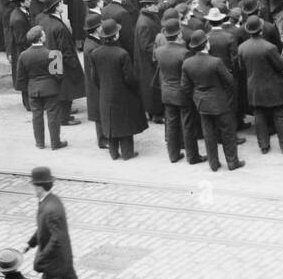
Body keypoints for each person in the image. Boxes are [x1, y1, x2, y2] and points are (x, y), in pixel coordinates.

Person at [23, 166, 105, 279]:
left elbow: (56, 238)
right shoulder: (51, 201)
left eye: (34, 185)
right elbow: (43, 229)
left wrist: (43, 256)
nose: (33, 188)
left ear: (39, 186)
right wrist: (30, 244)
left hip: (55, 262)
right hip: (63, 259)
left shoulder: (50, 208)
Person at [236, 15, 283, 154]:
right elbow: (282, 66)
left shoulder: (242, 48)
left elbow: (241, 67)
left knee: (259, 115)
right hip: (272, 86)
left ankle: (263, 145)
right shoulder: (269, 47)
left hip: (253, 87)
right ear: (261, 30)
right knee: (279, 115)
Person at [84, 18, 148, 160]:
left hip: (105, 93)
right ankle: (127, 153)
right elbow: (129, 78)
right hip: (123, 94)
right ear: (116, 35)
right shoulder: (122, 53)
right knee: (125, 124)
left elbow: (94, 77)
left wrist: (103, 87)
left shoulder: (95, 53)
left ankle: (113, 153)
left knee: (110, 123)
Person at [181, 31, 245, 172]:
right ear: (206, 45)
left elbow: (185, 87)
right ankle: (232, 162)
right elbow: (230, 81)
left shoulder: (187, 63)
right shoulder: (215, 62)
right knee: (227, 132)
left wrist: (197, 97)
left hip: (202, 103)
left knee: (208, 134)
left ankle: (213, 164)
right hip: (220, 102)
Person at [154, 16, 203, 164]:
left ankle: (173, 155)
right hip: (182, 93)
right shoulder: (184, 53)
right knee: (187, 125)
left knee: (171, 124)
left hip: (167, 92)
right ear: (179, 33)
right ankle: (192, 156)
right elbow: (189, 75)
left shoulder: (159, 51)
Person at [16, 26, 68, 150]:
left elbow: (20, 77)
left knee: (36, 116)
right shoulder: (53, 54)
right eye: (43, 33)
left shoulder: (23, 55)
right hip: (50, 88)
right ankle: (55, 143)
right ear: (40, 38)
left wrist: (28, 89)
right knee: (53, 116)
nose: (45, 35)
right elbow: (59, 75)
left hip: (33, 90)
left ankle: (40, 143)